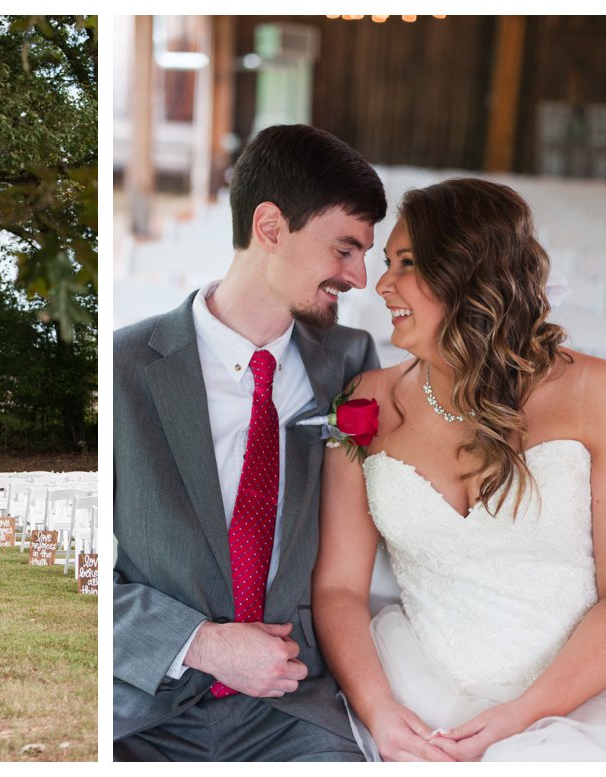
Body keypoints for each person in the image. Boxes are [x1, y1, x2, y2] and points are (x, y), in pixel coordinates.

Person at [113, 124, 387, 761]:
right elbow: (75, 575)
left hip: (292, 706)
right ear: (270, 227)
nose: (360, 277)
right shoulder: (124, 367)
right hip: (140, 709)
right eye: (345, 250)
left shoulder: (353, 364)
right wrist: (201, 643)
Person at [312, 178, 606, 761]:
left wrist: (520, 716)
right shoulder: (359, 405)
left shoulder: (598, 393)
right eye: (386, 262)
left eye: (406, 264)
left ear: (468, 275)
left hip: (578, 702)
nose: (382, 283)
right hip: (414, 693)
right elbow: (339, 588)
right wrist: (381, 712)